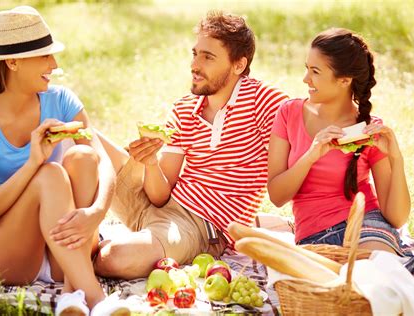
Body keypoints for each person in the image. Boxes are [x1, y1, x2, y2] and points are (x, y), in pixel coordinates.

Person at [0, 6, 128, 315]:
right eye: (44, 55)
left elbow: (102, 162)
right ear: (13, 61)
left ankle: (71, 296)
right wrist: (33, 163)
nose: (55, 64)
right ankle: (97, 300)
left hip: (60, 250)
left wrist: (96, 212)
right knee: (49, 174)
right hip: (6, 253)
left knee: (83, 156)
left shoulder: (61, 101)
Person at [94, 11, 289, 279]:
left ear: (238, 65)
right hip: (157, 207)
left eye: (208, 57)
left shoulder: (263, 102)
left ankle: (87, 250)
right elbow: (160, 196)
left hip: (199, 228)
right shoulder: (185, 108)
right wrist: (150, 162)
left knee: (112, 259)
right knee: (80, 135)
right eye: (195, 54)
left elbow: (302, 136)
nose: (195, 65)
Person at [267, 28, 410, 255]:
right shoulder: (288, 113)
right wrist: (311, 155)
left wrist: (396, 158)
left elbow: (397, 217)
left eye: (315, 71)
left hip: (367, 226)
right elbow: (277, 196)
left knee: (376, 274)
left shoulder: (369, 129)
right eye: (307, 69)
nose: (306, 79)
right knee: (334, 287)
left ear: (344, 80)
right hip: (314, 236)